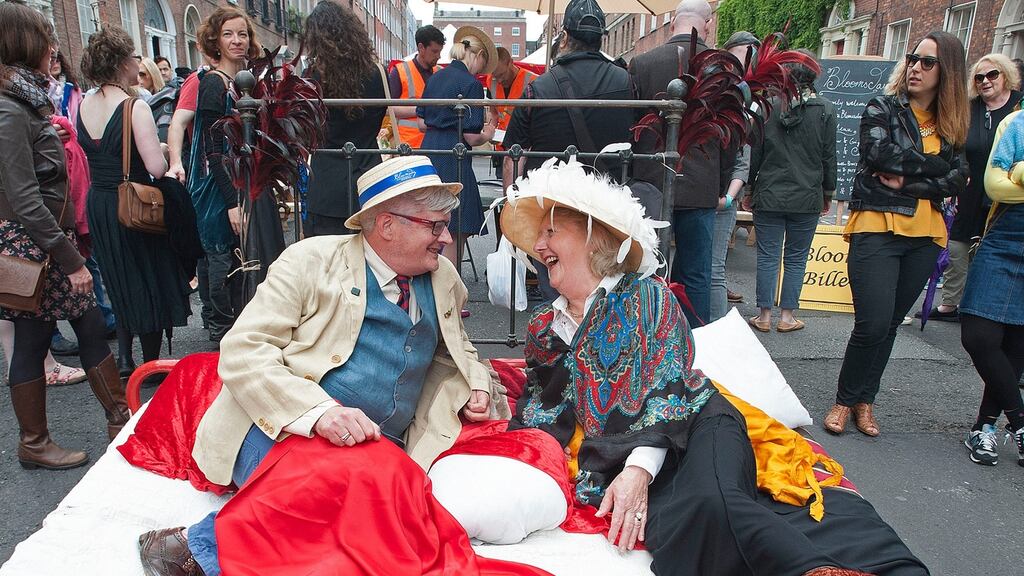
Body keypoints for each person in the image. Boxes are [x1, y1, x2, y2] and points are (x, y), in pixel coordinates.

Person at [490, 159, 927, 576]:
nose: (539, 246)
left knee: (712, 503)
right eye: (538, 238)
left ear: (592, 236)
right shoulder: (546, 326)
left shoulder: (647, 296)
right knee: (678, 526)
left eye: (551, 231)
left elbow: (668, 386)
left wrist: (638, 472)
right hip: (613, 460)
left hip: (698, 426)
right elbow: (542, 408)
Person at [136, 156, 501, 575]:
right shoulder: (308, 262)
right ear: (386, 225)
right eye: (434, 226)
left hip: (379, 448)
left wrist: (476, 382)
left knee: (377, 493)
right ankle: (192, 549)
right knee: (355, 482)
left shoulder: (444, 279)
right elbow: (244, 348)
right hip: (280, 429)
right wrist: (320, 413)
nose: (445, 237)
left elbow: (454, 348)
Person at [0, 2, 129, 470]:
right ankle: (40, 441)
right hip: (37, 245)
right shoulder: (12, 107)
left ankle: (117, 420)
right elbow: (23, 195)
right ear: (23, 42)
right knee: (45, 336)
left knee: (78, 328)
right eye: (45, 38)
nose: (53, 48)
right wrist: (71, 258)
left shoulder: (26, 101)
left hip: (44, 243)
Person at [826, 31, 969, 437]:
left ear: (948, 73)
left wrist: (906, 180)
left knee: (889, 324)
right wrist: (935, 166)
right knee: (871, 324)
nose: (916, 68)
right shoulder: (882, 106)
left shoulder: (953, 123)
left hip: (926, 235)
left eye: (928, 62)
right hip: (876, 225)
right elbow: (877, 156)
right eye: (913, 58)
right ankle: (843, 399)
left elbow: (959, 179)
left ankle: (864, 402)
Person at [77, 26, 191, 379]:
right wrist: (166, 154)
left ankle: (124, 358)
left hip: (99, 201)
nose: (136, 63)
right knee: (146, 276)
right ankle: (149, 362)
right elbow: (155, 168)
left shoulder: (84, 103)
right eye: (132, 57)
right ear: (119, 62)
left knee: (116, 277)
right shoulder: (133, 106)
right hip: (134, 203)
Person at [501, 0, 633, 302]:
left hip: (553, 206)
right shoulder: (627, 82)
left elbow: (513, 155)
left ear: (564, 37)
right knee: (606, 287)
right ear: (602, 37)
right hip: (608, 205)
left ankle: (561, 344)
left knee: (556, 290)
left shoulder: (539, 88)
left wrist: (513, 207)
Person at [630, 0, 724, 327]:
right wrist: (722, 184)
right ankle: (695, 347)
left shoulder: (642, 64)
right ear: (708, 24)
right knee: (696, 273)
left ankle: (649, 338)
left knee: (647, 268)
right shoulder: (723, 67)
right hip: (702, 185)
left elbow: (630, 128)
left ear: (672, 23)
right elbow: (731, 138)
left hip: (650, 180)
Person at [919, 54, 1021, 322]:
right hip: (969, 186)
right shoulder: (970, 107)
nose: (985, 81)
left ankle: (981, 306)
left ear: (1006, 75)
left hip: (1006, 191)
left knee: (989, 248)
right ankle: (950, 303)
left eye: (992, 75)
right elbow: (957, 144)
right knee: (957, 246)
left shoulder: (1018, 107)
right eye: (979, 77)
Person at [748, 51, 837, 333]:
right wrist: (828, 194)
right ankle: (787, 317)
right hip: (808, 195)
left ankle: (763, 315)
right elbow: (828, 158)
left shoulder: (767, 108)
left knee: (768, 255)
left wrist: (749, 189)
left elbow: (756, 154)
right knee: (797, 257)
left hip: (769, 193)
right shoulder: (825, 110)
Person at [191, 6, 262, 342]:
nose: (237, 40)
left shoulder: (241, 82)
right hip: (218, 187)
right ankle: (220, 337)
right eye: (229, 34)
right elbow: (212, 149)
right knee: (223, 260)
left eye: (243, 33)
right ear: (215, 41)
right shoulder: (212, 84)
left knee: (239, 258)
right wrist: (231, 201)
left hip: (238, 182)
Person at [960, 108, 1024, 467]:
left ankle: (984, 427)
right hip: (1003, 240)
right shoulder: (1015, 122)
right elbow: (993, 185)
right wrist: (1010, 175)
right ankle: (1020, 421)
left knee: (1017, 341)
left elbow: (1008, 179)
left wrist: (1019, 170)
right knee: (979, 335)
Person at [303, 0, 387, 237]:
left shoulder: (311, 77)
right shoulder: (377, 73)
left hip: (327, 181)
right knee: (369, 259)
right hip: (370, 176)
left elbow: (305, 129)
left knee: (328, 263)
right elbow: (379, 118)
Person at [419, 25, 497, 271]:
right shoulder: (471, 84)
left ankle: (429, 286)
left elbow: (422, 122)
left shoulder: (434, 78)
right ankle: (450, 295)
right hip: (455, 154)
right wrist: (490, 131)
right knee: (455, 225)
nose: (481, 70)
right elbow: (472, 136)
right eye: (482, 64)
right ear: (477, 56)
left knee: (430, 221)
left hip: (430, 150)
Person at [389, 25, 444, 149]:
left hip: (435, 143)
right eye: (435, 51)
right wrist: (422, 109)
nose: (438, 56)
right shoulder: (399, 72)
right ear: (421, 47)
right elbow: (389, 108)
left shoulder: (441, 72)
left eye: (440, 51)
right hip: (408, 145)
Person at [486, 47, 537, 178]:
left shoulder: (532, 81)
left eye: (502, 75)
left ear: (511, 62)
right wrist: (491, 129)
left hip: (523, 149)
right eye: (495, 76)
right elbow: (494, 112)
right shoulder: (490, 81)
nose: (499, 80)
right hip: (501, 147)